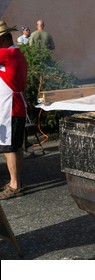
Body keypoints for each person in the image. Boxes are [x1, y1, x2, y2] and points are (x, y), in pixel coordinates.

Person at [0, 21, 28, 200]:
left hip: (10, 108)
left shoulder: (8, 53)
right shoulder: (13, 53)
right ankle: (14, 181)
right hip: (13, 107)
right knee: (15, 147)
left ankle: (15, 185)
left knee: (10, 149)